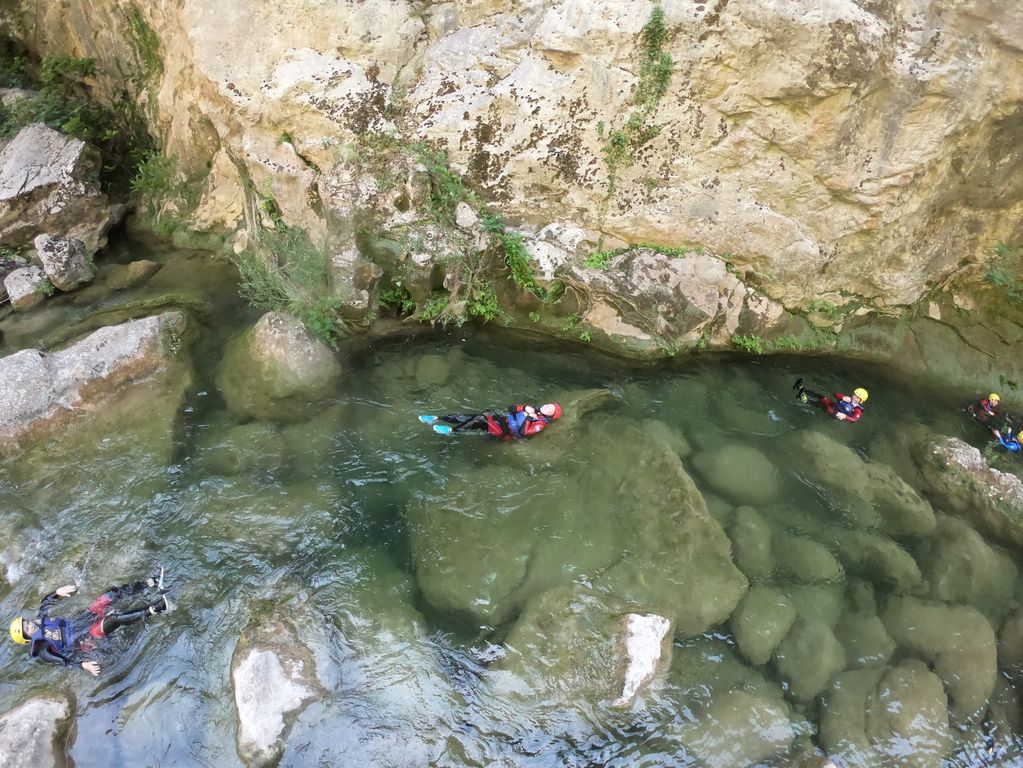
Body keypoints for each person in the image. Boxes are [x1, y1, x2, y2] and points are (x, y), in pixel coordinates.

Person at [8, 570, 174, 676]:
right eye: (25, 629)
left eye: (25, 622)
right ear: (27, 638)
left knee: (110, 595)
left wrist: (57, 592)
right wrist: (83, 665)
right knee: (114, 619)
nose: (28, 625)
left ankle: (149, 583)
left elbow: (45, 602)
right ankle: (157, 608)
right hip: (85, 637)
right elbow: (62, 662)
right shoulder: (41, 648)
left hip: (83, 619)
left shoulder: (40, 619)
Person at [420, 402, 562, 438]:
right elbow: (511, 408)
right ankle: (436, 418)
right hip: (502, 421)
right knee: (474, 416)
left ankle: (452, 432)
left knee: (480, 418)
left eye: (551, 409)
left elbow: (523, 432)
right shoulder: (531, 409)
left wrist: (527, 417)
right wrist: (525, 408)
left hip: (504, 431)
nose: (547, 407)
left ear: (549, 416)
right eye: (549, 405)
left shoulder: (540, 424)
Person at [794, 378, 868, 422]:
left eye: (857, 397)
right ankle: (801, 388)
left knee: (821, 404)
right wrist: (842, 397)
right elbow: (835, 395)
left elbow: (854, 420)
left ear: (861, 400)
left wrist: (845, 416)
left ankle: (804, 399)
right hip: (834, 406)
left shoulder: (858, 410)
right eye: (855, 394)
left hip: (834, 413)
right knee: (822, 397)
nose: (854, 397)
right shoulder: (848, 399)